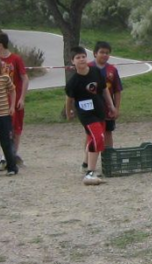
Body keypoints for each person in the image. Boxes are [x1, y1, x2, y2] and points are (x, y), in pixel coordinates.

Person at [64, 46, 117, 185]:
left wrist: (111, 106)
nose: (81, 59)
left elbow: (104, 90)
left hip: (99, 111)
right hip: (86, 115)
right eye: (78, 58)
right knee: (98, 137)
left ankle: (85, 165)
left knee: (92, 139)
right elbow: (69, 99)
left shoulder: (96, 72)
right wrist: (68, 111)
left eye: (83, 57)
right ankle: (90, 173)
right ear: (72, 62)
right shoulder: (73, 82)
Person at [0, 32, 28, 167]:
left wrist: (22, 98)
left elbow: (24, 79)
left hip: (14, 99)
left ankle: (11, 155)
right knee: (0, 128)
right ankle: (0, 156)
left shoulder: (16, 59)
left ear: (0, 45)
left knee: (16, 128)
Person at [85, 41, 123, 172]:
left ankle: (109, 161)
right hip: (91, 108)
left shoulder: (112, 70)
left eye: (107, 53)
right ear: (95, 53)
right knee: (91, 134)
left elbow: (117, 91)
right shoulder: (87, 68)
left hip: (107, 108)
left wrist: (116, 108)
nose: (104, 55)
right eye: (101, 52)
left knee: (108, 133)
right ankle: (87, 162)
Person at [0, 55, 18, 177]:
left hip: (3, 114)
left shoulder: (5, 78)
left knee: (6, 142)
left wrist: (12, 106)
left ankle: (11, 166)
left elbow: (12, 90)